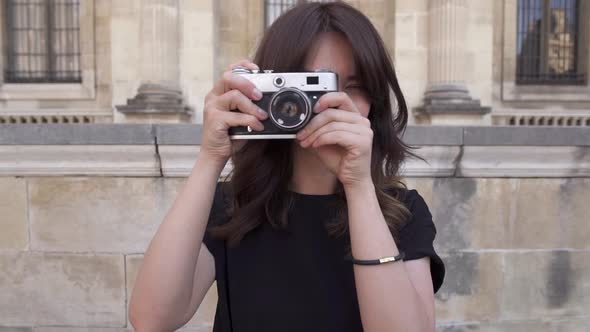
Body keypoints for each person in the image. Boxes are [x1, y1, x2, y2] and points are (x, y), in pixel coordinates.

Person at [129, 2, 445, 332]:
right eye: (308, 85)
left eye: (351, 86)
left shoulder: (403, 212)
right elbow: (152, 319)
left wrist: (359, 187)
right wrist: (211, 157)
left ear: (375, 101)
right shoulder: (233, 206)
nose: (330, 103)